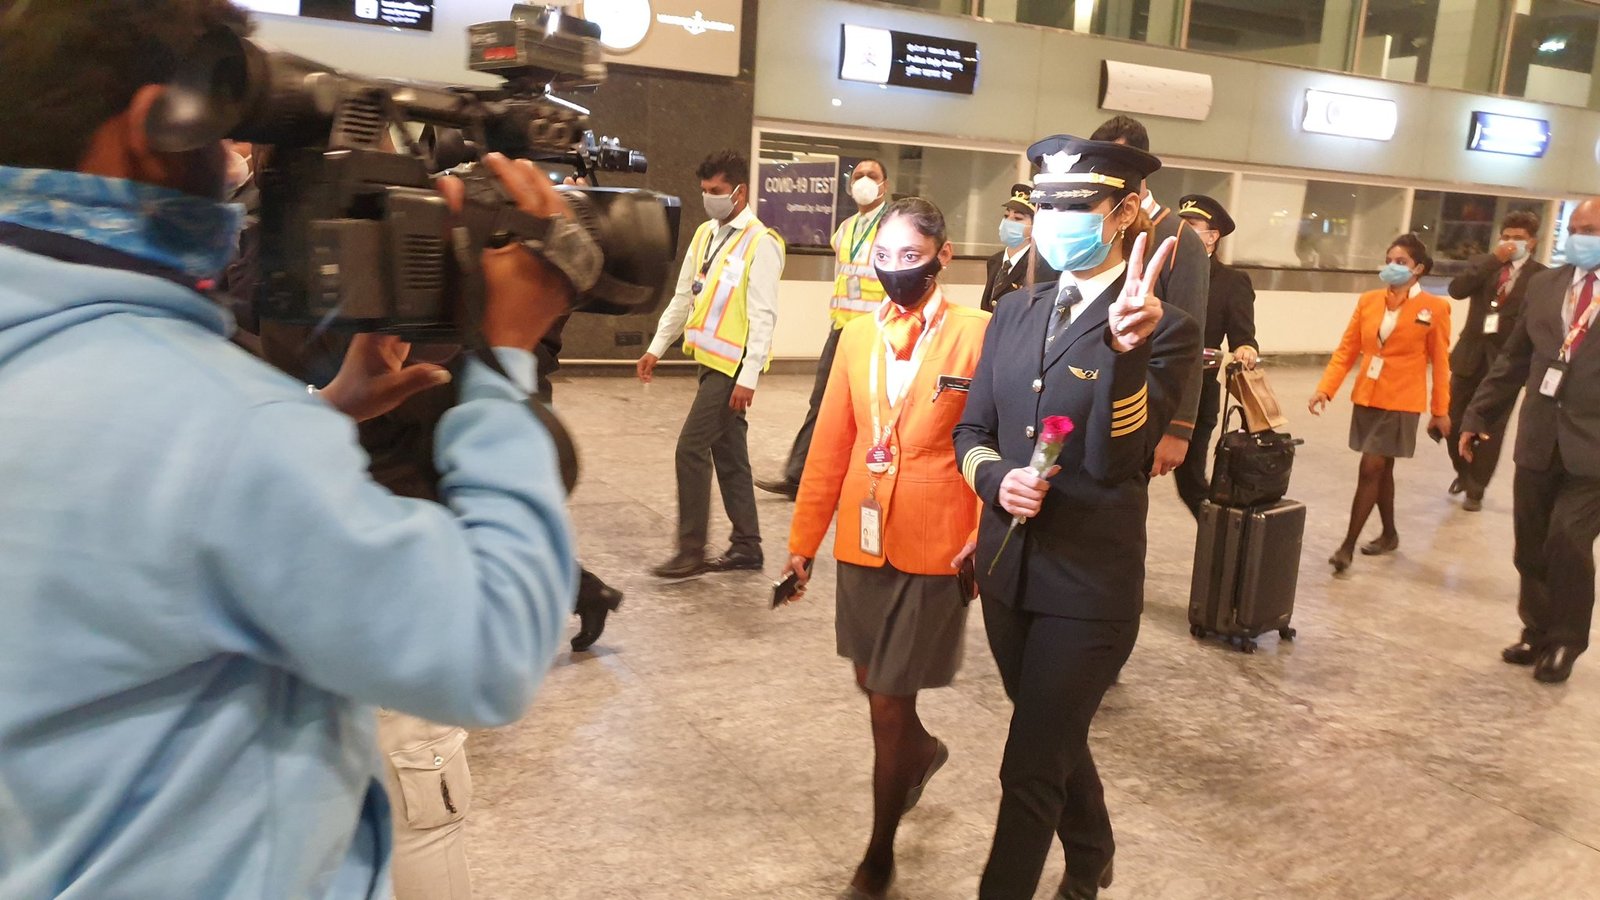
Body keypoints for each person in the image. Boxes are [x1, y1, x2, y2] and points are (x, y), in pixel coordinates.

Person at [0, 5, 579, 898]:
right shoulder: (227, 427)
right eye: (226, 132)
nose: (234, 166)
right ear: (156, 128)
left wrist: (320, 413)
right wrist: (504, 360)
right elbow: (491, 648)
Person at [953, 136, 1200, 900]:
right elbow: (972, 432)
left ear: (1125, 212)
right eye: (1044, 204)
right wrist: (995, 482)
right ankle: (1092, 851)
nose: (1053, 220)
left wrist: (1129, 351)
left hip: (1087, 586)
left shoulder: (1166, 325)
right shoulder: (1013, 311)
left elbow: (1118, 460)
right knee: (1050, 736)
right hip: (1006, 571)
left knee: (1028, 764)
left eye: (1075, 205)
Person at [780, 196, 990, 900]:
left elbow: (993, 441)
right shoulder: (857, 338)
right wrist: (803, 543)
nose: (897, 270)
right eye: (885, 258)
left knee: (886, 702)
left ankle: (878, 854)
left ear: (943, 254)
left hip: (937, 541)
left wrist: (985, 532)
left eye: (911, 256)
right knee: (871, 683)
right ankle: (924, 754)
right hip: (863, 537)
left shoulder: (978, 335)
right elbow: (830, 447)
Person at [1461, 198, 1600, 685]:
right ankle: (1536, 630)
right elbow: (1514, 360)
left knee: (1569, 539)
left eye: (1593, 230)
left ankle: (1566, 641)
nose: (1582, 237)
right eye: (1577, 228)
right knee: (1531, 544)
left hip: (1594, 449)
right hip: (1540, 438)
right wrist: (1478, 415)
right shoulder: (1545, 286)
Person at [638, 150, 785, 578]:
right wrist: (656, 347)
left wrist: (750, 376)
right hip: (707, 362)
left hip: (732, 369)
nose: (709, 199)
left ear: (739, 191)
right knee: (730, 454)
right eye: (704, 191)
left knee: (690, 447)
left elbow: (763, 316)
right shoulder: (705, 234)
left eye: (716, 192)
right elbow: (685, 295)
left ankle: (691, 550)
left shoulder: (762, 243)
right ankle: (747, 546)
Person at [1310, 234, 1452, 574]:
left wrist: (1440, 410)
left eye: (1401, 262)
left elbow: (1442, 362)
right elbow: (1347, 350)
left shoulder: (1435, 308)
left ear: (1418, 268)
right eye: (1390, 259)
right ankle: (1389, 533)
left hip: (1403, 400)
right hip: (1368, 396)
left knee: (1370, 467)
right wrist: (1325, 389)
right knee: (1383, 470)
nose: (1392, 266)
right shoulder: (1369, 301)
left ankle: (1346, 546)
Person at [758, 158, 888, 499]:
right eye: (858, 176)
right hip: (841, 330)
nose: (863, 181)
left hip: (878, 335)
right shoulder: (845, 229)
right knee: (821, 403)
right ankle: (798, 477)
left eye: (871, 176)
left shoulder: (894, 227)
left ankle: (866, 481)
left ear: (884, 185)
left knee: (869, 410)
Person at [1089, 115, 1210, 479]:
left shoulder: (1178, 237)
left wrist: (1178, 427)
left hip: (1147, 394)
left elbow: (1193, 336)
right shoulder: (1098, 225)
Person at [1446, 210, 1546, 511]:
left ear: (1532, 242)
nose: (1511, 242)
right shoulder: (1483, 265)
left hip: (1507, 365)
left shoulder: (1541, 277)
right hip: (1469, 357)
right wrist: (1494, 259)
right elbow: (1457, 290)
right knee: (1453, 421)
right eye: (1506, 237)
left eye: (1519, 238)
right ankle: (1463, 472)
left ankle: (1476, 488)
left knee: (1491, 428)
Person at [1172, 194, 1260, 517]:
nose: (1181, 230)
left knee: (1191, 481)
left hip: (1197, 392)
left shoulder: (1231, 281)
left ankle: (1220, 544)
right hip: (1151, 387)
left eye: (1190, 225)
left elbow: (1243, 335)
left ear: (1212, 236)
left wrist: (1246, 349)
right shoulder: (1164, 270)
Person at [980, 182, 1060, 312]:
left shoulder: (1044, 266)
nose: (1008, 222)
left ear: (1035, 226)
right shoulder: (995, 261)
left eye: (1017, 218)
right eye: (1006, 216)